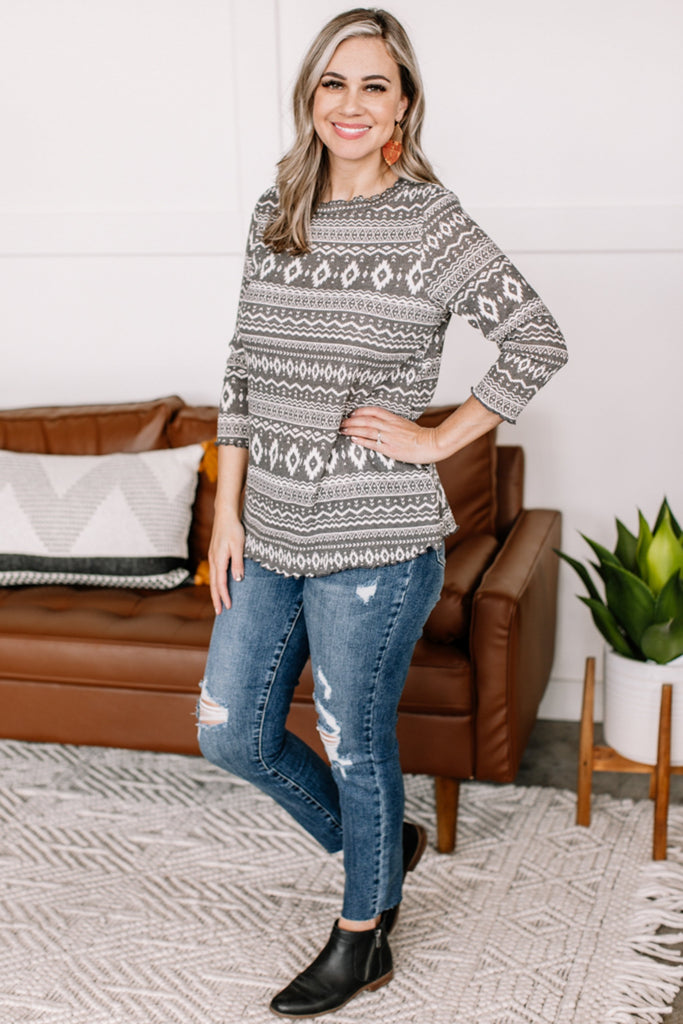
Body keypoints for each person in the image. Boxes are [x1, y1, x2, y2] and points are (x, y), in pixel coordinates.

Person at [198, 7, 567, 1018]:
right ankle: (380, 844)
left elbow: (535, 338)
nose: (350, 104)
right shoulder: (277, 210)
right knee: (230, 732)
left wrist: (439, 439)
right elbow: (241, 369)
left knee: (353, 741)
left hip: (374, 538)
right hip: (270, 530)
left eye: (373, 85)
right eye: (333, 82)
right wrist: (227, 513)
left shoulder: (428, 221)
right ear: (308, 98)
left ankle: (362, 938)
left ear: (403, 105)